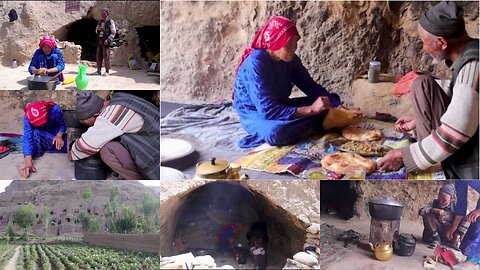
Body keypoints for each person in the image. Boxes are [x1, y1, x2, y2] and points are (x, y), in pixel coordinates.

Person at [377, 1, 479, 179]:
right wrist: (417, 119)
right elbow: (462, 98)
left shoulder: (474, 64)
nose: (424, 49)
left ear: (441, 42)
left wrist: (405, 155)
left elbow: (456, 131)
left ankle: (432, 160)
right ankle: (429, 154)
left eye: (424, 42)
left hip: (473, 160)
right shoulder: (468, 55)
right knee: (422, 83)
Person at [233, 16, 360, 148]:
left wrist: (338, 106)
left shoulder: (291, 60)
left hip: (281, 105)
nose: (294, 47)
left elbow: (310, 87)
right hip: (255, 113)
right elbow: (268, 110)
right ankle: (321, 120)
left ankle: (320, 119)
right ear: (275, 42)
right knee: (278, 132)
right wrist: (311, 110)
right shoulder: (256, 63)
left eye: (295, 42)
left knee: (329, 100)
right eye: (289, 43)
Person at [68, 91, 159, 180]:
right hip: (150, 140)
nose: (91, 127)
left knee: (107, 150)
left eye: (90, 124)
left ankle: (141, 180)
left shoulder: (113, 114)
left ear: (96, 115)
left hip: (156, 157)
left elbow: (86, 145)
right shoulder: (117, 98)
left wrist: (71, 154)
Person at [19, 101, 67, 178]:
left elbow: (62, 125)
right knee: (35, 132)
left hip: (54, 137)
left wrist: (59, 135)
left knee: (71, 144)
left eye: (43, 123)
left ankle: (51, 146)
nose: (42, 125)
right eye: (39, 125)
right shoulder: (28, 117)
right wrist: (28, 164)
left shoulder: (54, 109)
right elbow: (28, 137)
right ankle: (42, 149)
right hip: (39, 137)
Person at [449, 181, 480, 270]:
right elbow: (461, 206)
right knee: (474, 219)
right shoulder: (459, 179)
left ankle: (473, 261)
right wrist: (453, 228)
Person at [418, 184, 456, 249]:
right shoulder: (434, 202)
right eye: (439, 197)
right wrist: (433, 210)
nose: (441, 201)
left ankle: (454, 241)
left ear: (451, 198)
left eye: (444, 200)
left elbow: (466, 218)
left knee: (468, 218)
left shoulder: (456, 206)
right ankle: (437, 239)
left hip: (448, 233)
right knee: (427, 214)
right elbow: (421, 212)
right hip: (434, 232)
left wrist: (455, 232)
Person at [93, 8, 116, 76]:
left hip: (106, 41)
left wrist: (108, 40)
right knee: (98, 56)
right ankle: (98, 70)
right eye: (101, 14)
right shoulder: (100, 21)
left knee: (106, 56)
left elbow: (113, 32)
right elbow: (96, 30)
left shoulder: (110, 21)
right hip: (100, 41)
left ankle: (107, 71)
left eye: (104, 14)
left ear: (107, 14)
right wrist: (98, 29)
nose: (102, 15)